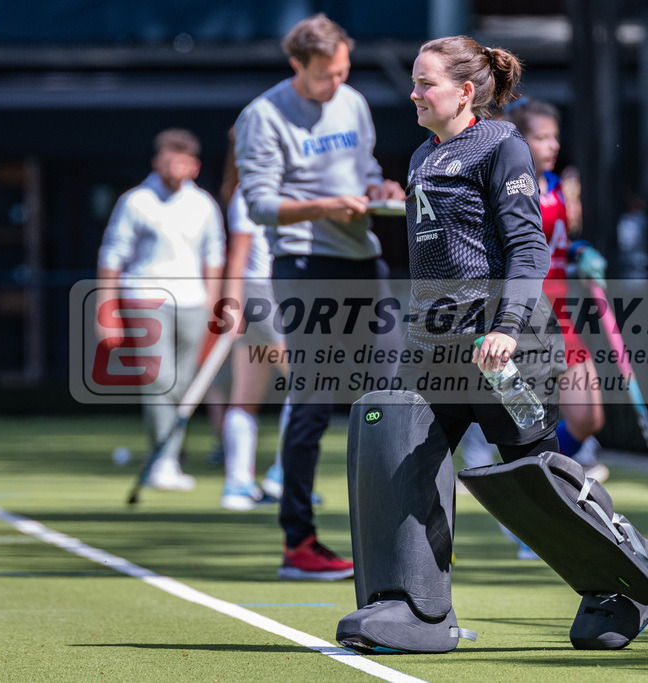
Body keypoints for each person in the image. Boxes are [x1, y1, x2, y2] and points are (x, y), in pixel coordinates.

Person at [337, 35, 648, 655]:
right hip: (433, 345)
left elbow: (528, 248)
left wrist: (507, 328)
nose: (413, 93)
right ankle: (415, 610)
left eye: (424, 83)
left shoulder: (503, 146)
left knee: (534, 481)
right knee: (397, 446)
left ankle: (626, 583)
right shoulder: (421, 156)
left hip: (505, 349)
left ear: (464, 91)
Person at [233, 13, 404, 580]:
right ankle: (299, 543)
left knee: (395, 388)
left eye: (343, 72)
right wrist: (327, 207)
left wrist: (378, 186)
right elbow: (259, 204)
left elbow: (365, 166)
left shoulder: (353, 101)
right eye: (327, 74)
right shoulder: (263, 115)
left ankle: (396, 535)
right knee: (314, 399)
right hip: (305, 263)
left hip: (364, 260)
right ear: (297, 66)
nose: (338, 83)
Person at [96, 128, 226, 491]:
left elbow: (214, 259)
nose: (176, 166)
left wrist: (214, 310)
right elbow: (112, 256)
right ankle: (165, 461)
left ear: (195, 166)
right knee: (159, 379)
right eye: (169, 159)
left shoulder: (204, 205)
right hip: (145, 297)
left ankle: (165, 456)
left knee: (183, 385)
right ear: (157, 161)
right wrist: (105, 310)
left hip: (193, 303)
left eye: (183, 160)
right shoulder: (135, 201)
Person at [504, 98, 608, 482]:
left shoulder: (556, 186)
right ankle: (528, 481)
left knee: (588, 417)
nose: (553, 146)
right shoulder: (512, 188)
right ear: (520, 142)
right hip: (526, 320)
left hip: (560, 318)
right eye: (542, 138)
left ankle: (531, 475)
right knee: (529, 424)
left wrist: (578, 251)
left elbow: (556, 242)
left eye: (555, 137)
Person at [216, 127, 290, 511]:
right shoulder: (251, 193)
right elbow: (238, 255)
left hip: (261, 295)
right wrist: (230, 305)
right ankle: (282, 478)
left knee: (245, 396)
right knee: (308, 386)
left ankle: (239, 483)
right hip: (265, 294)